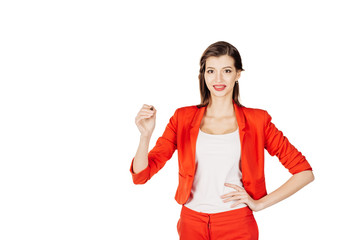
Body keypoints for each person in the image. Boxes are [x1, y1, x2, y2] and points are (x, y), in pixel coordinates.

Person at [130, 41, 314, 240]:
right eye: (211, 71)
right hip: (191, 223)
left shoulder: (257, 120)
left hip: (237, 223)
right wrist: (145, 136)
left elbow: (304, 172)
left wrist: (260, 203)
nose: (218, 78)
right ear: (203, 75)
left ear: (237, 74)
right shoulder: (182, 118)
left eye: (226, 70)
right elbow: (141, 175)